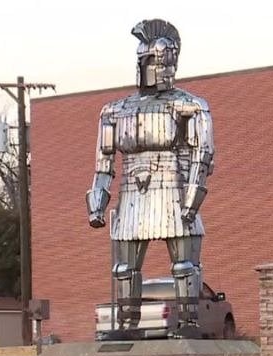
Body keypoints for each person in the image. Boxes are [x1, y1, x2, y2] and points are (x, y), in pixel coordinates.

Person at [86, 19, 215, 339]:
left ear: (168, 62)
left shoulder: (190, 106)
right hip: (132, 196)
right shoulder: (114, 111)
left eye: (151, 60)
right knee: (124, 268)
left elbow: (204, 154)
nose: (145, 67)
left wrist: (192, 200)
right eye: (141, 60)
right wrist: (97, 204)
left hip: (174, 188)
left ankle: (188, 323)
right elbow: (104, 164)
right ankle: (127, 324)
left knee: (185, 266)